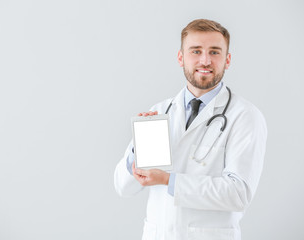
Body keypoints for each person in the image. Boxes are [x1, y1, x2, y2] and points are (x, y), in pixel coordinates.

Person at [114, 19, 267, 240]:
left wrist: (168, 180)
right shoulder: (159, 112)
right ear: (180, 57)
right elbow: (123, 187)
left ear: (227, 60)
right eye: (196, 51)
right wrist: (138, 150)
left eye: (214, 52)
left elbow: (238, 194)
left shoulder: (245, 116)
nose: (205, 60)